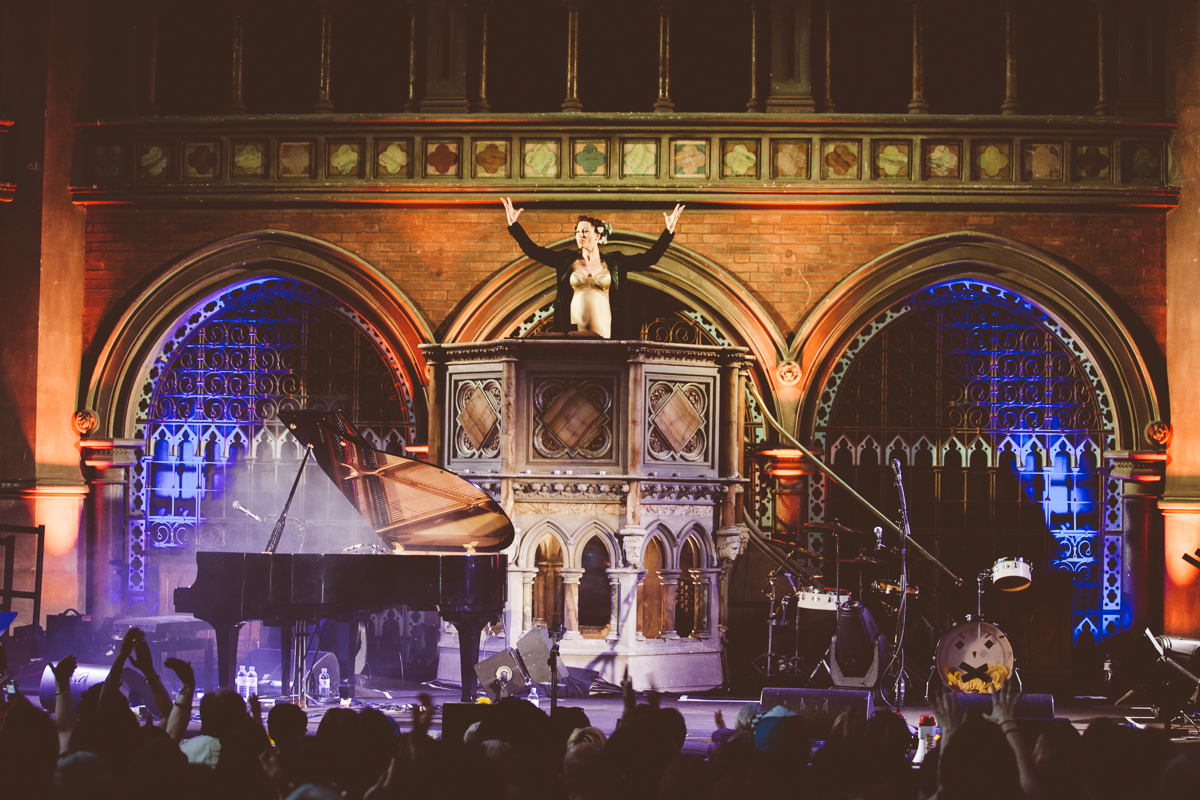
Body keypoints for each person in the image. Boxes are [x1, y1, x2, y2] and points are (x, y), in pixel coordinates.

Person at [501, 198, 685, 339]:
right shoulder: (565, 260)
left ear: (598, 236)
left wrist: (668, 232)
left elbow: (649, 258)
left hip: (606, 333)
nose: (580, 235)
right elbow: (534, 251)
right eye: (577, 231)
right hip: (572, 334)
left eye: (585, 231)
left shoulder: (615, 263)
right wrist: (514, 226)